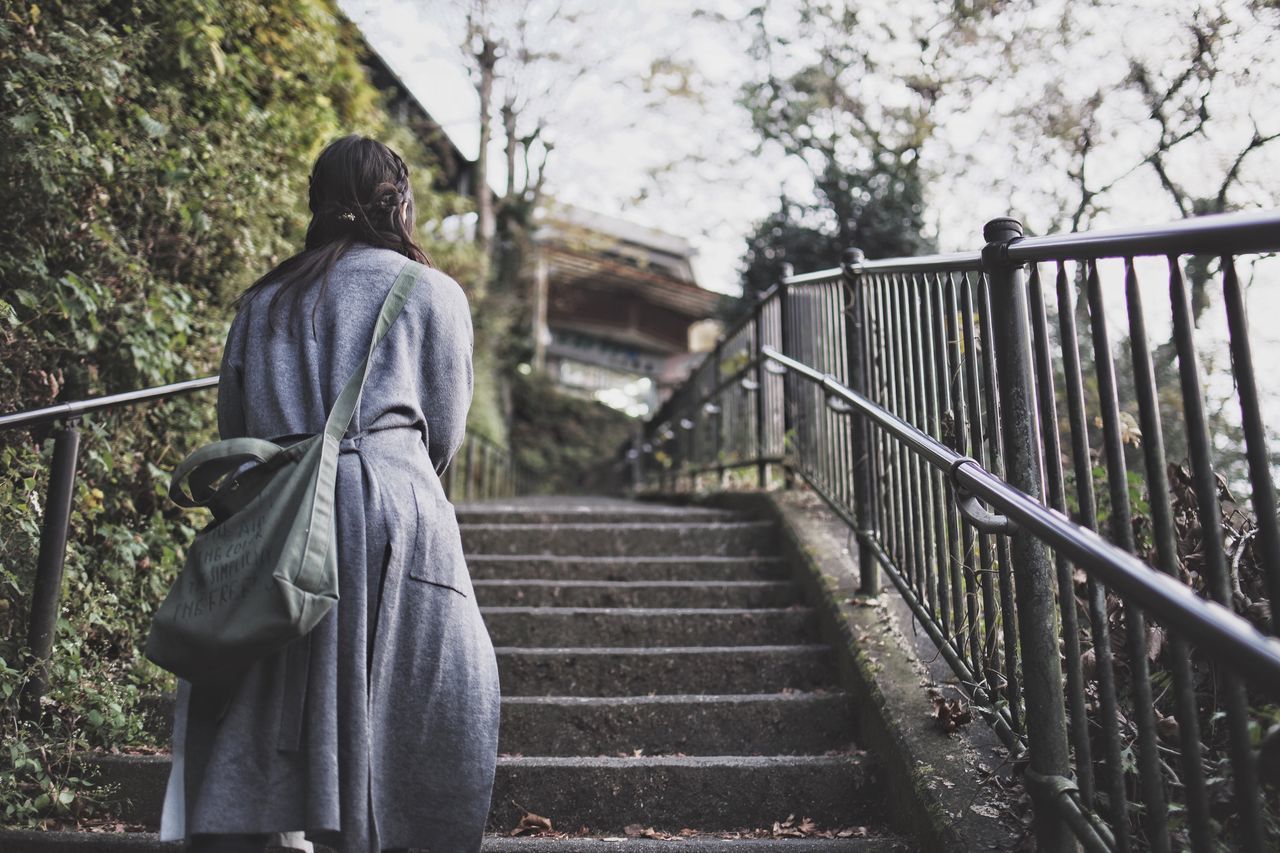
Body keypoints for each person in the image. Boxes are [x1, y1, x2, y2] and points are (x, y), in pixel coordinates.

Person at [158, 135, 501, 853]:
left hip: (281, 512)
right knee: (410, 697)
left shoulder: (263, 300)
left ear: (314, 204)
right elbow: (444, 429)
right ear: (399, 204)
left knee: (277, 692)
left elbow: (237, 423)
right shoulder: (433, 293)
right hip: (392, 510)